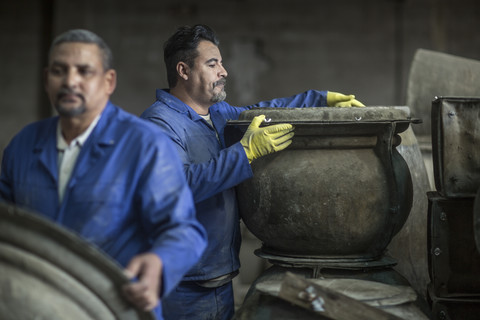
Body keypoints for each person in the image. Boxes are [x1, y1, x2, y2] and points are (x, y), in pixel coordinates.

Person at [140, 24, 365, 320]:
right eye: (213, 64)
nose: (224, 71)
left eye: (221, 63)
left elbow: (265, 110)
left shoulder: (218, 115)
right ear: (183, 70)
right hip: (182, 285)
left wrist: (320, 99)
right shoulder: (159, 125)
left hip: (218, 276)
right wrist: (244, 153)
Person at [0, 29, 207, 320]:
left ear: (108, 81)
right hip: (33, 305)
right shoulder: (23, 145)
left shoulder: (144, 145)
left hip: (112, 308)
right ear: (47, 79)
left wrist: (159, 263)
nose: (70, 81)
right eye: (60, 71)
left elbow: (184, 231)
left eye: (84, 71)